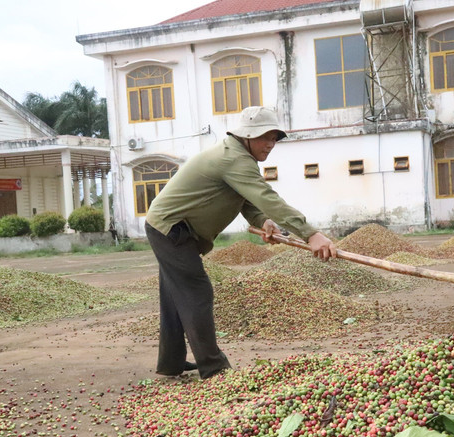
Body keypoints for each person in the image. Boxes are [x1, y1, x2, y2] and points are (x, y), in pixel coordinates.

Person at [144, 106, 336, 379]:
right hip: (170, 229)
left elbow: (248, 201)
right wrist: (311, 233)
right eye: (264, 137)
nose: (270, 144)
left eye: (274, 138)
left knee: (176, 297)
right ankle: (214, 368)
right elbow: (268, 197)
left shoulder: (236, 156)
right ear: (246, 135)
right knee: (196, 292)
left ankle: (171, 363)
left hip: (170, 226)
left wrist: (263, 222)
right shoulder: (234, 159)